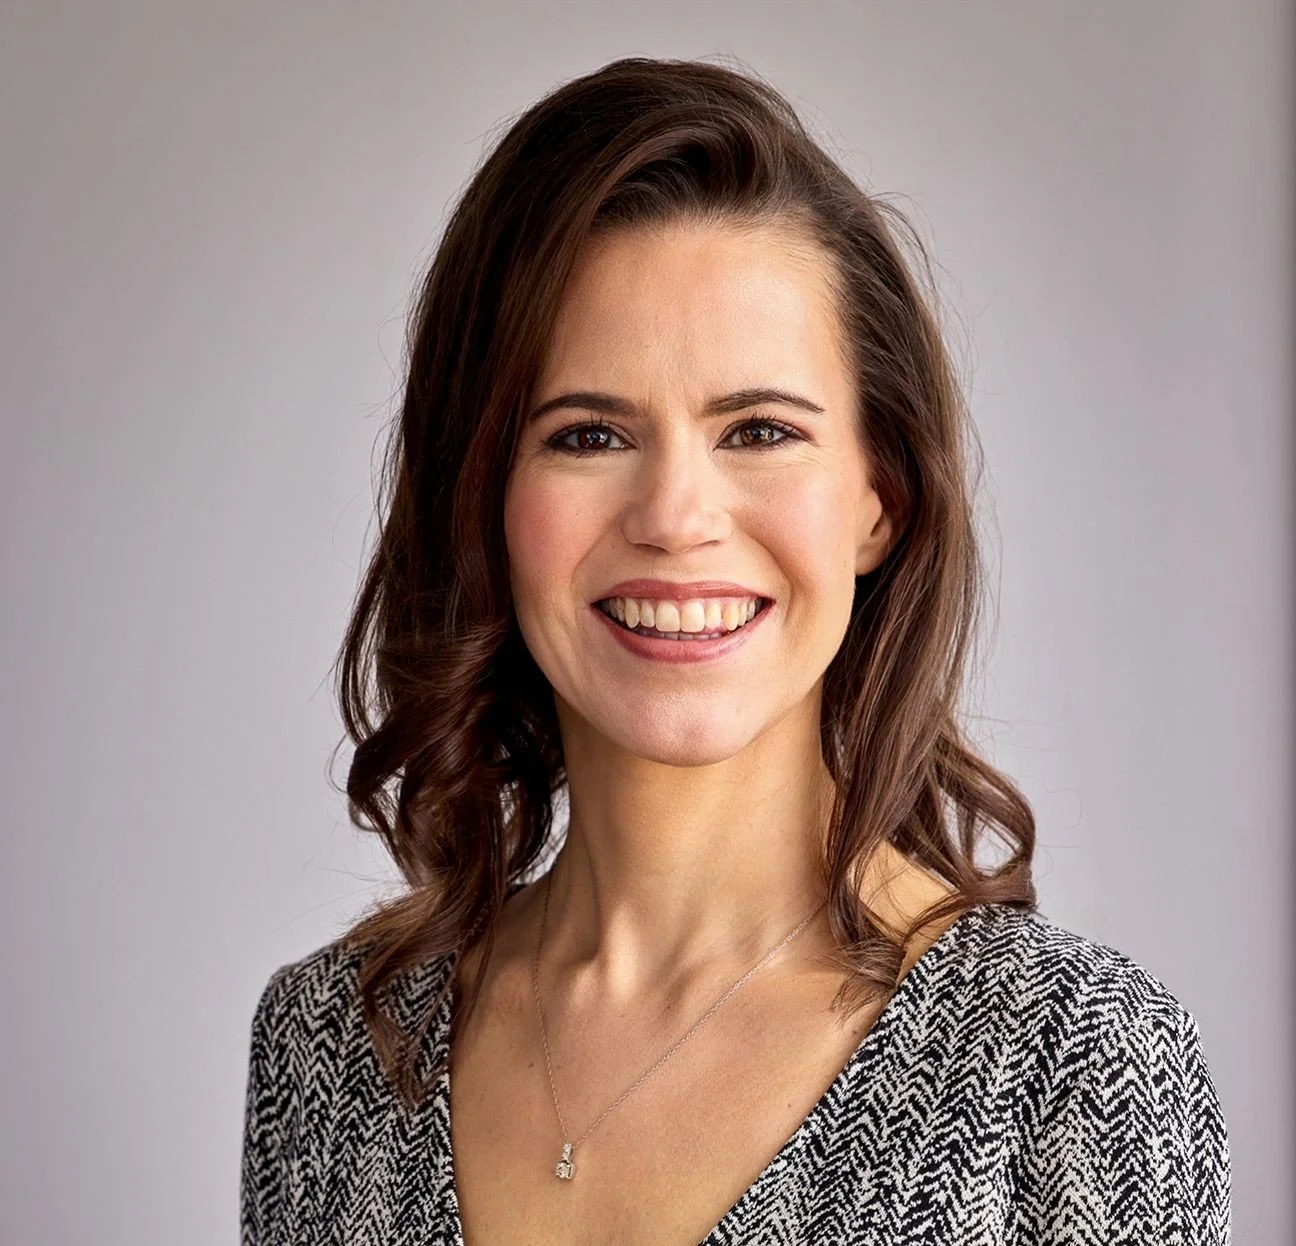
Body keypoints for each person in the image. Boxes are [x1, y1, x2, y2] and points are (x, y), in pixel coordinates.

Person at [240, 56, 1231, 1245]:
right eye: (589, 432)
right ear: (485, 497)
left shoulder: (1072, 1068)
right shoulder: (331, 1050)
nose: (674, 514)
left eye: (759, 429)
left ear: (882, 499)